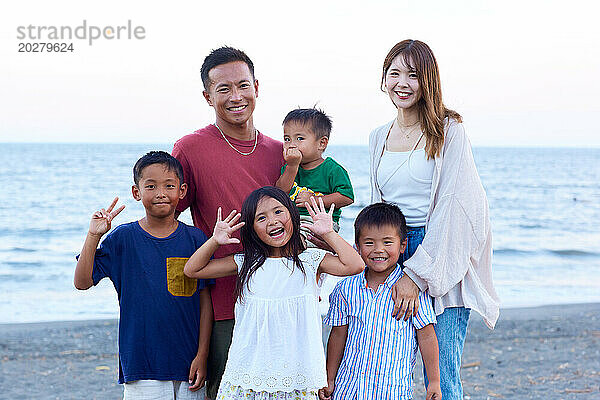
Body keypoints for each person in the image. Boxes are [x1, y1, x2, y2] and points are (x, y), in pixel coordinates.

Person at [369, 39, 501, 400]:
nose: (402, 83)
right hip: (390, 253)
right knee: (385, 365)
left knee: (440, 376)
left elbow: (456, 207)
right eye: (394, 73)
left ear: (428, 81)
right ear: (383, 80)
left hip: (440, 254)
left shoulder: (449, 130)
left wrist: (417, 273)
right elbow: (377, 207)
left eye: (413, 75)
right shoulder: (378, 137)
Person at [172, 46, 284, 399]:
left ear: (256, 87)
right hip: (225, 303)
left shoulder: (282, 152)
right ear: (208, 96)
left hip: (283, 297)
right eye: (223, 89)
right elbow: (165, 221)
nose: (236, 97)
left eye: (242, 85)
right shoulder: (189, 148)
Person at [183, 186, 364, 400]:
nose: (272, 221)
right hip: (248, 374)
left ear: (292, 215)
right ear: (252, 229)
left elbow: (355, 265)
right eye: (261, 218)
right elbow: (192, 270)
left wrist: (328, 233)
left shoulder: (310, 260)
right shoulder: (245, 263)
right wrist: (215, 240)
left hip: (297, 376)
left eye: (278, 212)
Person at [74, 151, 213, 399]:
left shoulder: (196, 239)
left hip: (189, 363)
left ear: (181, 191)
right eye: (151, 186)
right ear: (137, 192)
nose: (160, 193)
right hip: (142, 363)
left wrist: (202, 355)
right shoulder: (123, 238)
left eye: (169, 186)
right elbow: (82, 282)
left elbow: (205, 303)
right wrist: (94, 236)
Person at [319, 203, 440, 400]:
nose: (378, 250)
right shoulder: (345, 290)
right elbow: (338, 336)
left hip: (392, 390)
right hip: (349, 389)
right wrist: (329, 377)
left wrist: (434, 381)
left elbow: (426, 336)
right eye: (369, 243)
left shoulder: (412, 293)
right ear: (357, 247)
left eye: (387, 242)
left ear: (403, 246)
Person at [275, 108, 354, 245]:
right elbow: (280, 193)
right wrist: (292, 166)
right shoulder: (290, 168)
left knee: (295, 243)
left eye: (300, 138)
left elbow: (346, 197)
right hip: (292, 221)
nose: (291, 144)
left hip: (321, 222)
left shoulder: (332, 169)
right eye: (287, 139)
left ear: (321, 143)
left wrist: (315, 200)